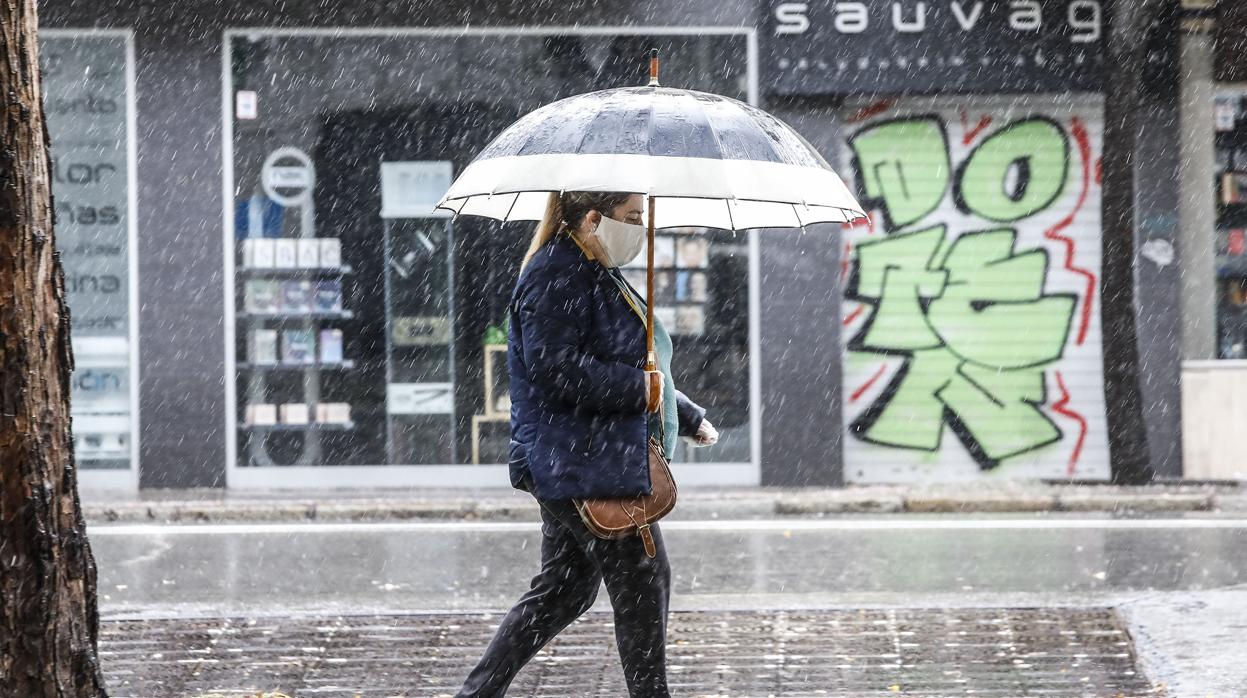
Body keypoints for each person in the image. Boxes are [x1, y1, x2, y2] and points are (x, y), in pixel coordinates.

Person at [454, 191, 719, 698]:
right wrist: (639, 391)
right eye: (632, 218)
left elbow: (638, 361)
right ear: (595, 218)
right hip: (577, 459)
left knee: (564, 590)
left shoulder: (598, 270)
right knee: (644, 578)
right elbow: (554, 367)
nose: (640, 227)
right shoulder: (556, 272)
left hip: (585, 455)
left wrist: (683, 413)